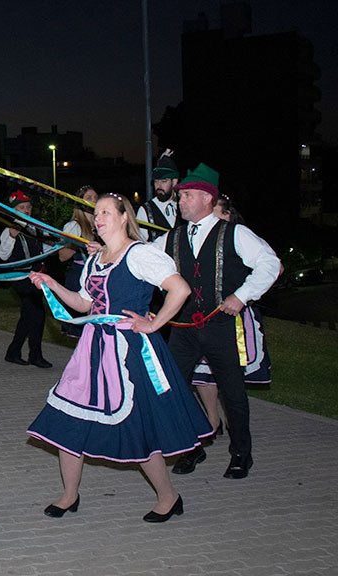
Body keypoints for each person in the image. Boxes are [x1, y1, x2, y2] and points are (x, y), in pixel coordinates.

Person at [26, 192, 212, 523]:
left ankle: (169, 497)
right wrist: (51, 283)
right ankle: (70, 495)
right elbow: (85, 305)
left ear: (125, 217)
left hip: (130, 353)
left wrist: (153, 323)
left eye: (106, 213)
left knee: (138, 427)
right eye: (96, 213)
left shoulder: (140, 255)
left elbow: (180, 289)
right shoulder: (95, 260)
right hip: (92, 350)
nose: (98, 218)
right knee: (69, 417)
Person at [155, 164, 281, 479]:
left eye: (187, 195)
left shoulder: (235, 233)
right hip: (183, 328)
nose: (180, 200)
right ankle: (192, 446)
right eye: (180, 195)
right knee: (169, 387)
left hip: (221, 325)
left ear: (208, 198)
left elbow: (270, 263)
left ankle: (241, 454)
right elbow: (138, 258)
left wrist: (242, 295)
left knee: (233, 392)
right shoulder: (171, 238)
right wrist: (104, 250)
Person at [192, 194, 273, 390]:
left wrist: (242, 294)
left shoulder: (239, 235)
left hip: (235, 314)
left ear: (227, 215)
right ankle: (213, 420)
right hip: (203, 317)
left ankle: (233, 419)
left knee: (230, 374)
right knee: (203, 374)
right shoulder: (197, 237)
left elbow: (273, 266)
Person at [0, 190, 52, 368]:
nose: (27, 210)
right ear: (14, 210)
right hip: (21, 278)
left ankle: (13, 352)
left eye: (28, 207)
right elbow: (3, 255)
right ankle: (35, 355)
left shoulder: (36, 228)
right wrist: (11, 237)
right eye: (22, 207)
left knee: (28, 317)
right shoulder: (10, 229)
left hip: (36, 277)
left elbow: (43, 250)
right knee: (37, 314)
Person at [57, 186, 100, 338]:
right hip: (79, 277)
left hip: (97, 278)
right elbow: (62, 256)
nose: (94, 201)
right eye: (89, 198)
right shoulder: (74, 226)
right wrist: (77, 242)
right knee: (81, 331)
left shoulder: (100, 225)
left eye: (95, 198)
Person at [136, 150, 180, 242]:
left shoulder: (183, 205)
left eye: (164, 181)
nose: (159, 186)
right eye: (156, 181)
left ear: (174, 182)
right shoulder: (145, 211)